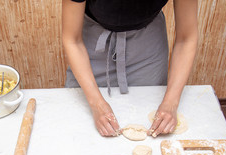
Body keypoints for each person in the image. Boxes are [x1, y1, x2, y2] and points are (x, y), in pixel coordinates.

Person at [62, 0, 198, 137]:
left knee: (153, 128)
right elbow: (72, 40)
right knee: (79, 129)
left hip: (148, 46)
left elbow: (186, 38)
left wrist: (171, 103)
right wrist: (96, 104)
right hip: (91, 45)